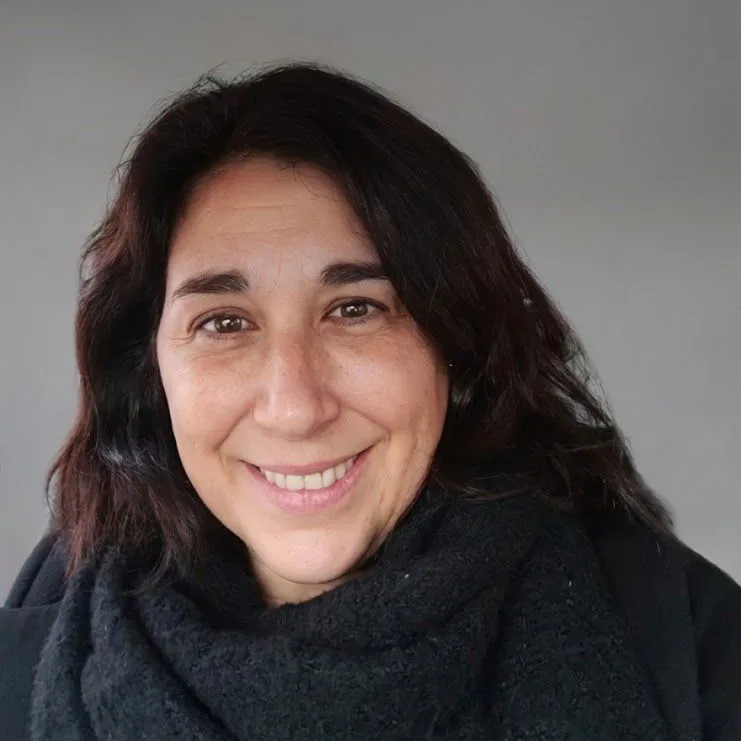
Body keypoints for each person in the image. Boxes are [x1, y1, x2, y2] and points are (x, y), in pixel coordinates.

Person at [1, 62, 739, 741]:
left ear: (456, 341)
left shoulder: (688, 647)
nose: (295, 407)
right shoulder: (33, 663)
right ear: (148, 367)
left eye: (355, 309)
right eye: (223, 323)